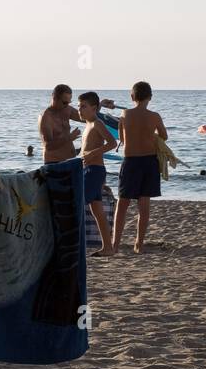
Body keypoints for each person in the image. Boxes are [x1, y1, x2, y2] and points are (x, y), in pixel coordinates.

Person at [112, 81, 166, 254]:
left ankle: (114, 245)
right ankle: (138, 244)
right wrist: (150, 134)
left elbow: (122, 139)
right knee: (144, 206)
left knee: (122, 205)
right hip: (149, 162)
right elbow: (164, 136)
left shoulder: (124, 114)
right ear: (150, 97)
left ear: (132, 97)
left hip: (131, 161)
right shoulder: (155, 116)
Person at [76, 91, 117, 257]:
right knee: (97, 210)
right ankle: (108, 247)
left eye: (83, 106)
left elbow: (112, 143)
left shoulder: (97, 123)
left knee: (78, 204)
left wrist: (93, 153)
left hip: (94, 170)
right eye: (79, 106)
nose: (80, 109)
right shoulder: (88, 123)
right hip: (88, 169)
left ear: (93, 108)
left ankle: (76, 244)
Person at [38, 84, 115, 163]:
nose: (67, 105)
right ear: (54, 98)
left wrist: (100, 104)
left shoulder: (67, 109)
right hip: (55, 164)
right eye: (65, 102)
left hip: (70, 162)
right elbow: (48, 146)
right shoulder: (46, 117)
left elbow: (87, 117)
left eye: (69, 102)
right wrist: (69, 138)